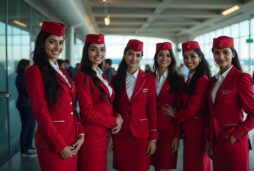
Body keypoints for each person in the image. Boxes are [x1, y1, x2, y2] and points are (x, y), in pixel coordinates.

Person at [25, 21, 84, 171]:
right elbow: (41, 112)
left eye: (61, 42)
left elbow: (71, 106)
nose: (58, 47)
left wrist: (81, 132)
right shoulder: (35, 71)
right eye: (52, 42)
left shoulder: (62, 71)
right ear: (42, 43)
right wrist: (60, 144)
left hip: (71, 139)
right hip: (54, 143)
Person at [206, 36, 254, 171]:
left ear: (233, 54)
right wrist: (208, 139)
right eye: (217, 53)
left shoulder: (242, 78)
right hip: (217, 142)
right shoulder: (213, 81)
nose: (221, 56)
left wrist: (235, 136)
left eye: (225, 52)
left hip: (234, 142)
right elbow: (210, 113)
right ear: (213, 54)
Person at [75, 34, 123, 171]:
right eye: (93, 49)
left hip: (103, 133)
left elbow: (107, 103)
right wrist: (114, 121)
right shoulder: (83, 76)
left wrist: (118, 116)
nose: (98, 54)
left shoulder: (100, 74)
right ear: (86, 51)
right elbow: (87, 113)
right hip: (92, 136)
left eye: (102, 49)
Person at [164, 41, 211, 171]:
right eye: (185, 57)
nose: (189, 60)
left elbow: (192, 109)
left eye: (193, 56)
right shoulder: (191, 76)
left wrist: (175, 114)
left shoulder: (202, 79)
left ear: (200, 58)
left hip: (197, 132)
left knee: (196, 165)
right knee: (192, 165)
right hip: (190, 131)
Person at [112, 39, 157, 171]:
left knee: (140, 167)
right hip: (121, 133)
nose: (134, 58)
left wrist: (153, 138)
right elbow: (112, 107)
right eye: (131, 54)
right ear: (125, 55)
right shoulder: (116, 79)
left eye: (138, 55)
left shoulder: (149, 80)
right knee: (123, 167)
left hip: (141, 134)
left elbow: (152, 109)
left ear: (141, 57)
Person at [150, 42, 183, 171]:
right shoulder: (148, 78)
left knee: (163, 166)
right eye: (161, 55)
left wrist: (177, 136)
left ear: (172, 58)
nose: (164, 58)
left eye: (168, 55)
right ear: (156, 57)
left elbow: (180, 108)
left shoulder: (178, 80)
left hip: (168, 131)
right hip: (149, 129)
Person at [15, 59, 37, 157]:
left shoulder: (24, 76)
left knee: (31, 126)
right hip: (25, 105)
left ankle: (28, 146)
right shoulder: (22, 77)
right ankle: (24, 150)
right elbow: (29, 91)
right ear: (24, 66)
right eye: (29, 65)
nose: (31, 67)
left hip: (28, 104)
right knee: (26, 127)